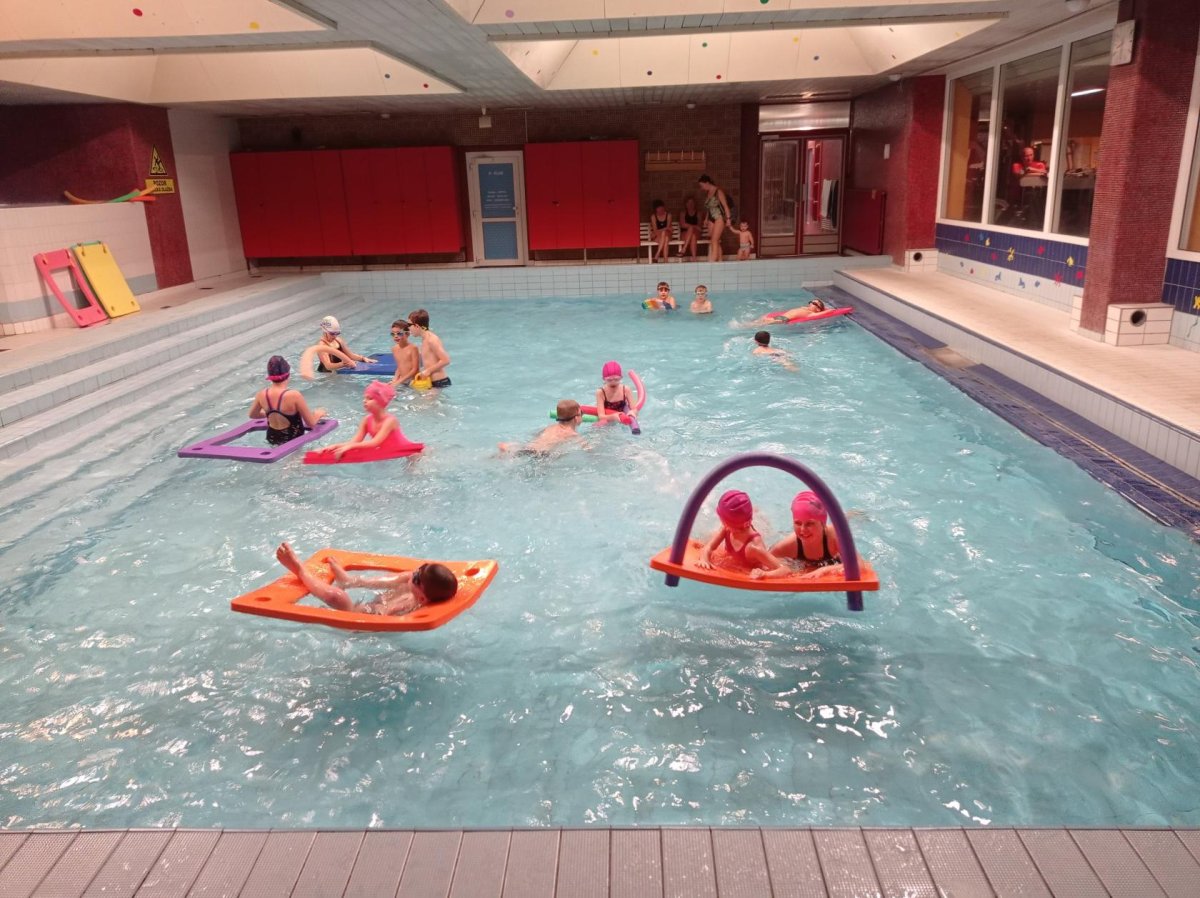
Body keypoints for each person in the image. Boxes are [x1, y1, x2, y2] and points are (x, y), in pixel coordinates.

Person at [274, 542, 457, 617]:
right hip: (375, 605)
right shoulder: (414, 585)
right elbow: (408, 578)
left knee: (337, 597)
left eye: (418, 577)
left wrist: (378, 610)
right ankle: (351, 581)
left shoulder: (406, 606)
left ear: (422, 598)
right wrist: (414, 577)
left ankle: (300, 570)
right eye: (421, 567)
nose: (415, 572)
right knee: (405, 577)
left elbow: (382, 616)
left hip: (359, 619)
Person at [695, 490, 788, 575]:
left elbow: (785, 570)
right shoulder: (726, 528)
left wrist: (765, 574)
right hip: (740, 526)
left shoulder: (754, 548)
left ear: (725, 522)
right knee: (706, 538)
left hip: (753, 555)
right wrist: (704, 559)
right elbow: (709, 547)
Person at [757, 491, 842, 580]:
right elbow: (763, 563)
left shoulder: (835, 536)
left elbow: (852, 564)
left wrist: (824, 570)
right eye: (798, 523)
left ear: (823, 523)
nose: (803, 530)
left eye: (810, 523)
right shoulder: (789, 545)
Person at [248, 356, 327, 445]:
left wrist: (272, 415)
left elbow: (253, 415)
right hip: (293, 439)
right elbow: (311, 423)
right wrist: (317, 415)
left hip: (271, 437)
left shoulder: (262, 394)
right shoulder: (294, 395)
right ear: (288, 374)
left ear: (270, 376)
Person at [323, 380, 409, 461]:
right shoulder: (367, 420)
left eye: (369, 398)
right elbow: (355, 441)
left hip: (408, 453)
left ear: (381, 402)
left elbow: (375, 442)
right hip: (388, 452)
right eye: (364, 398)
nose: (364, 401)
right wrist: (336, 446)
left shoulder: (390, 421)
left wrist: (350, 447)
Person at [498, 399, 586, 456]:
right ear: (576, 418)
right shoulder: (572, 434)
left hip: (529, 447)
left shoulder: (550, 427)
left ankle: (509, 447)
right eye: (581, 413)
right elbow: (587, 448)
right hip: (542, 454)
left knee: (519, 453)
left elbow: (535, 436)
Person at [408, 309, 451, 388]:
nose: (408, 328)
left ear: (416, 326)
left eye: (409, 325)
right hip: (430, 382)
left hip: (439, 382)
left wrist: (428, 371)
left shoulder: (431, 340)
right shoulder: (425, 339)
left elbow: (446, 360)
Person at [697, 174, 730, 262]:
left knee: (714, 240)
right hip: (711, 218)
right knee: (714, 240)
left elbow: (725, 206)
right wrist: (706, 219)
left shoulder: (718, 191)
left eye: (702, 185)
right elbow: (709, 208)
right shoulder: (708, 193)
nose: (702, 188)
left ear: (707, 183)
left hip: (719, 217)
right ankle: (720, 259)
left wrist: (728, 219)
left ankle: (713, 260)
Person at [387, 320, 421, 388]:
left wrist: (399, 381)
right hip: (403, 380)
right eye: (393, 334)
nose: (395, 336)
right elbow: (399, 366)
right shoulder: (394, 349)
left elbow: (415, 369)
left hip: (414, 380)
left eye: (399, 333)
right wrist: (394, 380)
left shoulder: (413, 348)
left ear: (407, 334)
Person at [752, 299, 827, 325]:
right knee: (759, 321)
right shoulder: (806, 309)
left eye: (814, 303)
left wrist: (825, 310)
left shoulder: (811, 313)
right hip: (781, 317)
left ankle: (746, 326)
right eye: (811, 302)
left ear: (818, 309)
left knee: (758, 324)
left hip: (783, 319)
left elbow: (826, 312)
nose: (811, 303)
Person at [678, 196, 704, 261]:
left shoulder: (698, 213)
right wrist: (693, 226)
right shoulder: (683, 213)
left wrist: (690, 226)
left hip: (696, 233)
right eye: (689, 203)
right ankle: (694, 258)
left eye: (692, 203)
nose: (690, 205)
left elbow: (700, 227)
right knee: (692, 232)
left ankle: (684, 249)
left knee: (693, 235)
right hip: (685, 233)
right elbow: (682, 225)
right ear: (686, 204)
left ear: (694, 204)